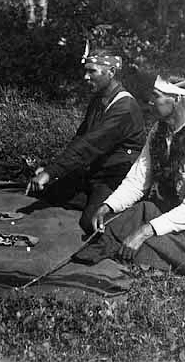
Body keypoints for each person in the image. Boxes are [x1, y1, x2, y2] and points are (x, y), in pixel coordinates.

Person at [75, 76, 185, 277]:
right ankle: (150, 247)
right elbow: (138, 180)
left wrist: (145, 231)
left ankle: (164, 253)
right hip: (176, 204)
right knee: (121, 222)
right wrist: (108, 206)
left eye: (157, 96)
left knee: (165, 242)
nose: (150, 102)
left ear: (178, 100)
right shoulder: (159, 130)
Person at [26, 44, 146, 234]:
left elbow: (90, 145)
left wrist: (50, 172)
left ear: (111, 72)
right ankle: (85, 196)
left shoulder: (125, 107)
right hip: (94, 170)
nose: (86, 77)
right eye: (86, 71)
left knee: (90, 222)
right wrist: (52, 169)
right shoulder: (99, 100)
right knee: (44, 192)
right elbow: (80, 139)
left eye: (92, 72)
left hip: (115, 177)